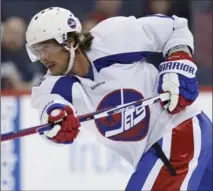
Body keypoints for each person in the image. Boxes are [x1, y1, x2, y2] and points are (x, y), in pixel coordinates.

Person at [26, 7, 212, 191]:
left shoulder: (111, 38)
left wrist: (179, 61)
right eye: (36, 50)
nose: (42, 57)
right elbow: (50, 110)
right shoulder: (49, 86)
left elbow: (174, 27)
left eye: (46, 47)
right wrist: (57, 123)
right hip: (165, 149)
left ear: (70, 41)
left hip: (180, 132)